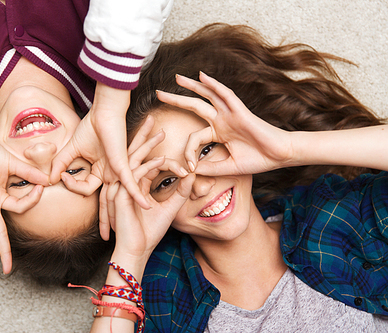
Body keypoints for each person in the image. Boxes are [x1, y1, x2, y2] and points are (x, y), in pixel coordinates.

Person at [87, 23, 388, 332]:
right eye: (165, 182)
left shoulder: (334, 219)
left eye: (206, 150)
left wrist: (288, 147)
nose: (201, 186)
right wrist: (130, 257)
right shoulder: (164, 294)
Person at [0, 0, 173, 284]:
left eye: (21, 182)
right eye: (73, 170)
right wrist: (110, 103)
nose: (39, 151)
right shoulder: (123, 50)